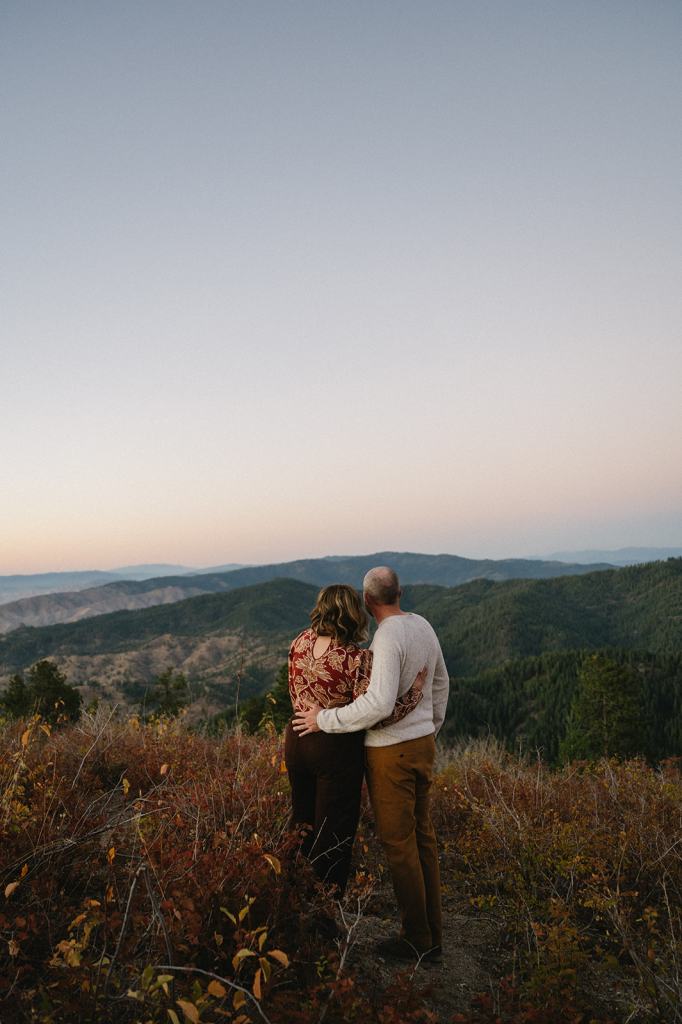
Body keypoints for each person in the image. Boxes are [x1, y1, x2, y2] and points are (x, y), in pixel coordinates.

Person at [293, 566, 449, 963]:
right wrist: (430, 725)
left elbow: (376, 705)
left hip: (387, 750)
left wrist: (323, 719)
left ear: (368, 600)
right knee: (423, 839)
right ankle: (432, 930)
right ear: (401, 591)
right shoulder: (423, 626)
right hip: (420, 745)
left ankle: (418, 939)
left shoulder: (381, 639)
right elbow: (441, 682)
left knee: (398, 845)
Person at [285, 583, 426, 897]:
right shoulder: (356, 659)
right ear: (353, 614)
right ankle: (323, 913)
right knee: (333, 833)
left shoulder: (299, 643)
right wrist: (414, 693)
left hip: (295, 739)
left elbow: (295, 694)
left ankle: (290, 897)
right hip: (334, 750)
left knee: (301, 824)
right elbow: (377, 712)